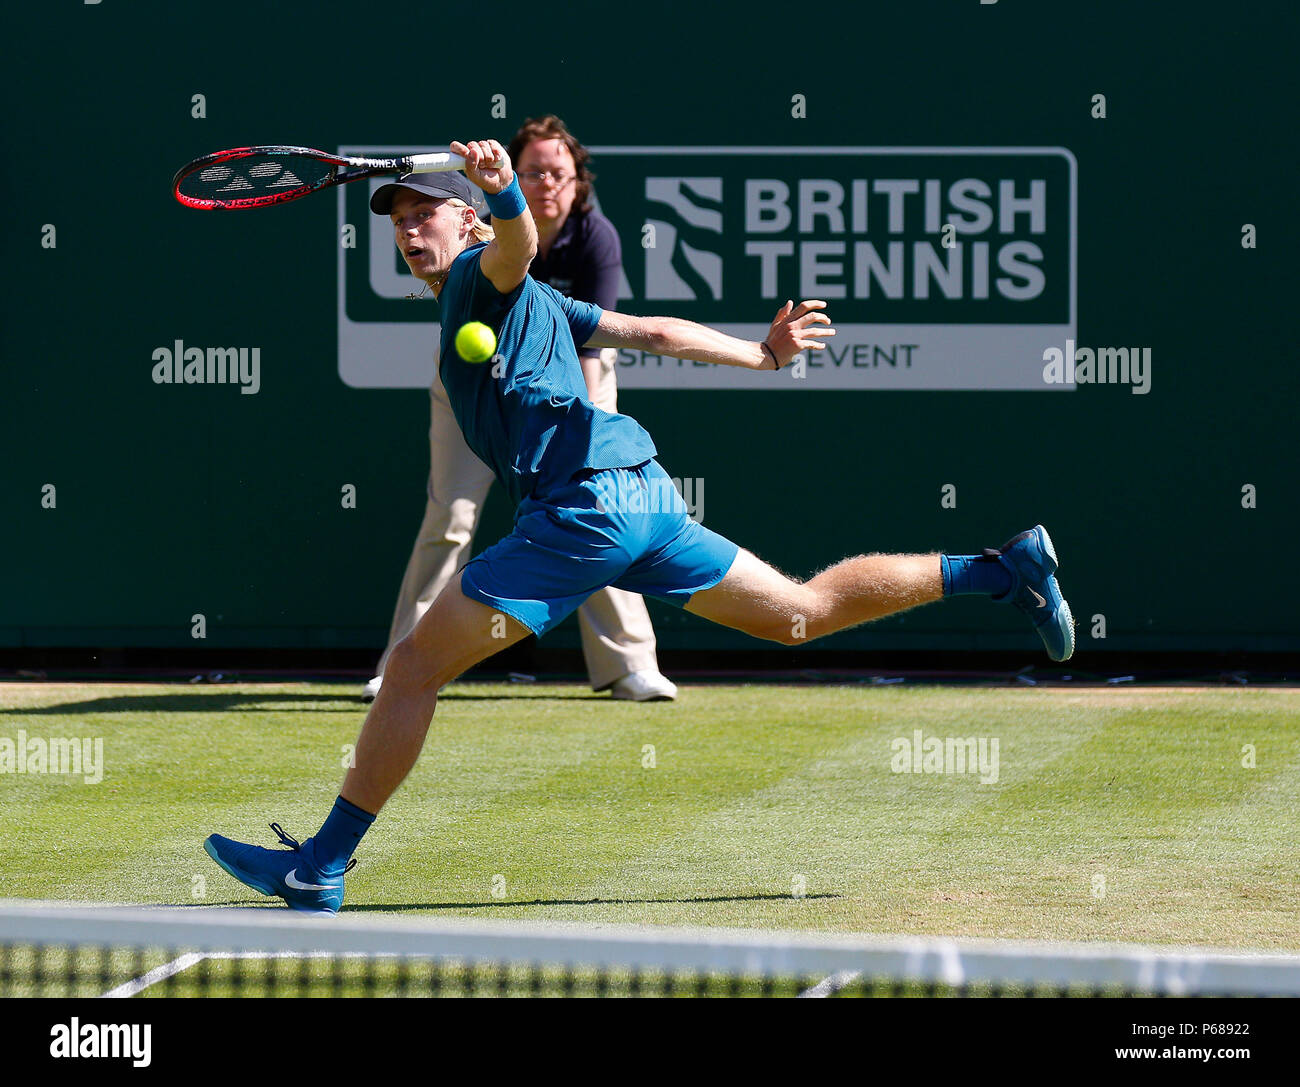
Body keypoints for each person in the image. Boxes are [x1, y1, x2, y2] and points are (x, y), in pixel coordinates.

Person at [204, 139, 1074, 913]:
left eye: (423, 213)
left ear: (464, 219)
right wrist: (761, 354)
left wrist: (507, 196)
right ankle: (1001, 569)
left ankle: (320, 865)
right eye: (397, 219)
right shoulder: (540, 301)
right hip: (644, 499)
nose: (407, 229)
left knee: (412, 670)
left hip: (581, 514)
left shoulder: (485, 273)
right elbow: (653, 330)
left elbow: (517, 243)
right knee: (798, 612)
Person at [363, 116, 676, 704]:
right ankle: (402, 662)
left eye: (560, 173)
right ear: (510, 179)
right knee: (450, 515)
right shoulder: (483, 246)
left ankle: (629, 662)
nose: (548, 183)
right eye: (533, 173)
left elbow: (591, 346)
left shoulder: (594, 238)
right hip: (473, 381)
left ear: (577, 182)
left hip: (575, 374)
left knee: (595, 501)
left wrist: (568, 439)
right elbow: (512, 244)